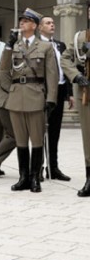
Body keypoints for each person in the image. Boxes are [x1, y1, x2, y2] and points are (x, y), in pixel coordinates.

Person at [0, 8, 58, 193]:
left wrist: (51, 99)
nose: (21, 23)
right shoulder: (14, 46)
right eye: (21, 21)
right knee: (21, 140)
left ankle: (35, 178)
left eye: (25, 21)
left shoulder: (45, 47)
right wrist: (11, 89)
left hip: (35, 96)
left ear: (34, 25)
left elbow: (52, 74)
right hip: (16, 97)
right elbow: (3, 70)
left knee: (37, 140)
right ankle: (23, 177)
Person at [39, 16, 73, 181]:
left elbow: (66, 69)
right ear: (40, 27)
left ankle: (53, 168)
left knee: (54, 131)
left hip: (59, 91)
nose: (52, 25)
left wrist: (69, 94)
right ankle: (37, 168)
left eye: (53, 23)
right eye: (48, 23)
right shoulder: (35, 45)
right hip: (42, 92)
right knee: (39, 131)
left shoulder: (60, 45)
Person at [60, 24, 90, 196]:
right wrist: (76, 75)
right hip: (85, 92)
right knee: (88, 137)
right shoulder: (79, 37)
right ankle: (89, 179)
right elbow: (65, 58)